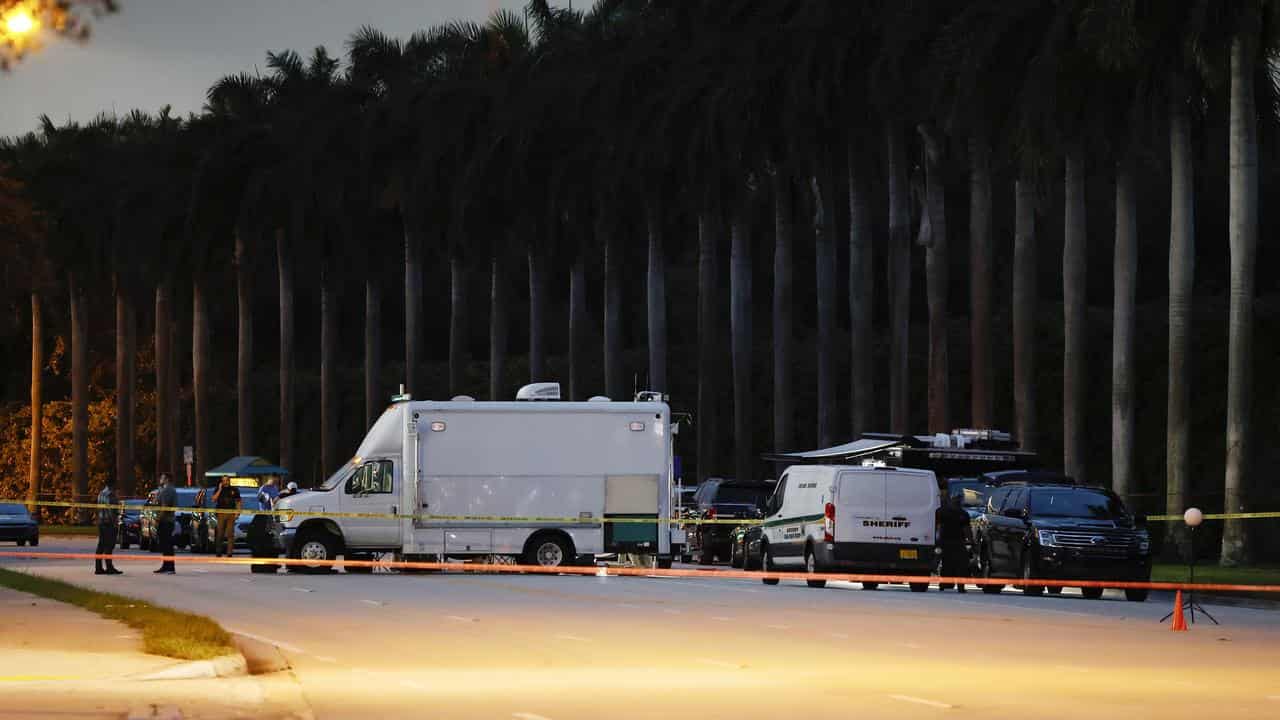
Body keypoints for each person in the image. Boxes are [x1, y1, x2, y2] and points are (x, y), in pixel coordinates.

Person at [936, 493, 974, 593]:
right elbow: (967, 530)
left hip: (946, 542)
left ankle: (944, 584)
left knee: (946, 563)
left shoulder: (941, 512)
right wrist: (971, 541)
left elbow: (938, 527)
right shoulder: (962, 513)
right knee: (960, 565)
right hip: (958, 542)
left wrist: (937, 540)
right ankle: (959, 586)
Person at [94, 480, 122, 575]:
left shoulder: (101, 494)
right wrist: (115, 522)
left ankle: (98, 568)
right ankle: (109, 567)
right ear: (113, 485)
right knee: (109, 546)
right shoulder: (111, 495)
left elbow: (98, 509)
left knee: (101, 545)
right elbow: (111, 510)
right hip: (109, 523)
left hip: (101, 522)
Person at [211, 477, 242, 558]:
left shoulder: (234, 489)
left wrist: (238, 512)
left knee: (230, 534)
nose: (225, 482)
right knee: (220, 534)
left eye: (227, 480)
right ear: (221, 482)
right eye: (224, 480)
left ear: (229, 481)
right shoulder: (218, 489)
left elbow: (238, 501)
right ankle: (218, 551)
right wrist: (220, 489)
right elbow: (213, 499)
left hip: (231, 514)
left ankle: (229, 552)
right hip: (221, 514)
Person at [154, 474, 178, 574]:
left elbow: (164, 507)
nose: (160, 479)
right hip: (166, 521)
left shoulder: (168, 490)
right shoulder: (165, 490)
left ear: (167, 479)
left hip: (166, 521)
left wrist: (157, 519)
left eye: (162, 478)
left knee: (167, 545)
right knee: (165, 545)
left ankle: (170, 567)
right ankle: (165, 565)